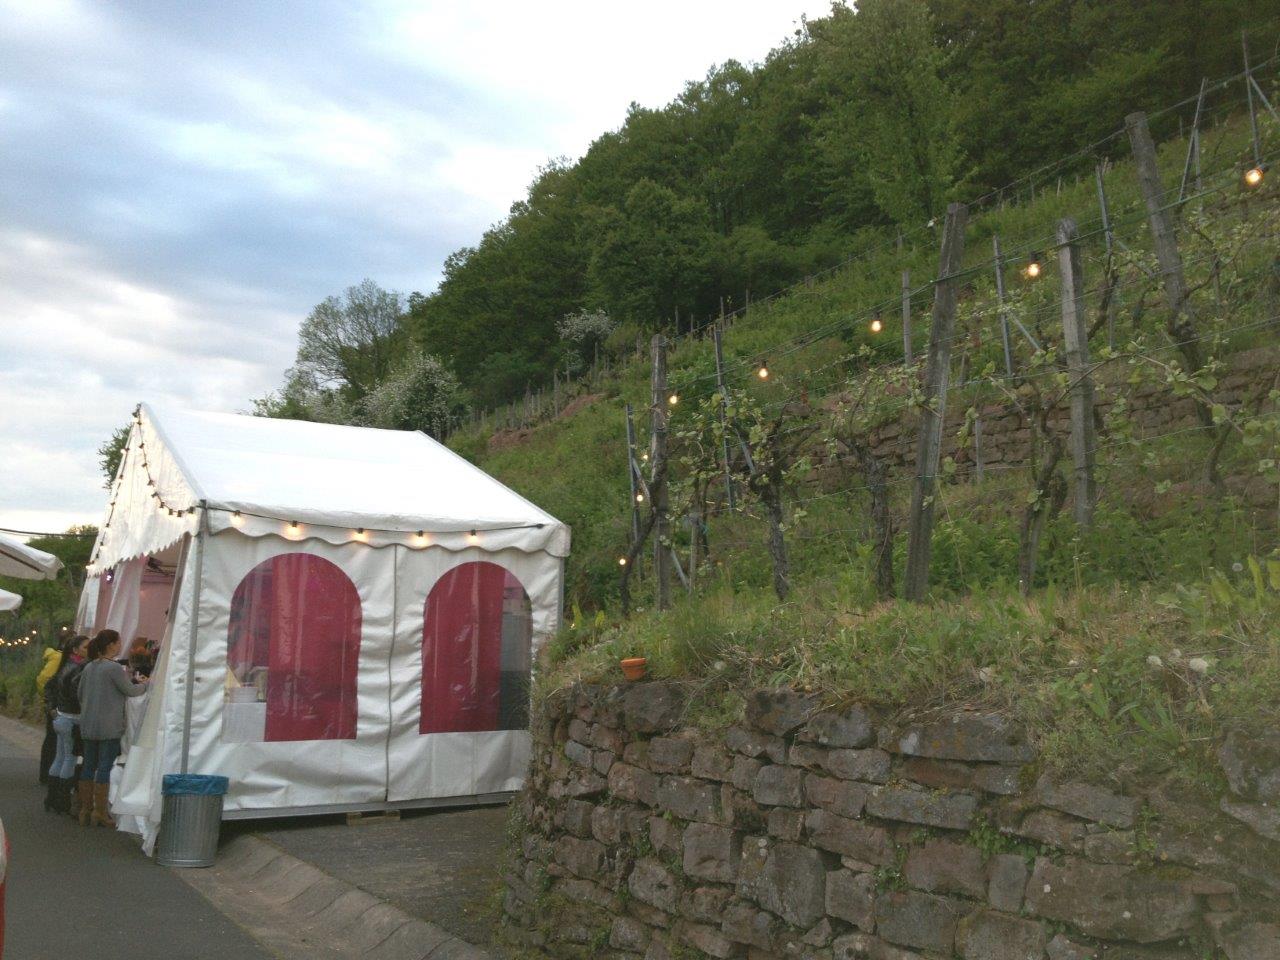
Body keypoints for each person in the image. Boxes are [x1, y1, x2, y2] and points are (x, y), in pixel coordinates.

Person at [76, 629, 147, 827]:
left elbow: (80, 693)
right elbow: (130, 691)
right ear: (110, 645)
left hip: (89, 724)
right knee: (104, 767)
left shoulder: (90, 667)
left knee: (88, 765)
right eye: (118, 642)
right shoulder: (114, 668)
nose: (119, 646)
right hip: (109, 725)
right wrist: (148, 685)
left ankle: (85, 810)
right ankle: (100, 812)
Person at [43, 635, 88, 815]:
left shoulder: (64, 666)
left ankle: (52, 798)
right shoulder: (78, 669)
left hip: (61, 716)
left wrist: (52, 708)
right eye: (85, 647)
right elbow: (76, 694)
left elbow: (49, 686)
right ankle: (62, 800)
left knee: (60, 757)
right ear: (76, 650)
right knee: (69, 758)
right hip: (71, 717)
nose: (88, 650)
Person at [36, 642, 61, 785]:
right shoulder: (59, 659)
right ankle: (48, 776)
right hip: (56, 707)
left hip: (51, 704)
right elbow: (45, 681)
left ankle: (46, 774)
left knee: (51, 741)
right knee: (53, 742)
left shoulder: (55, 658)